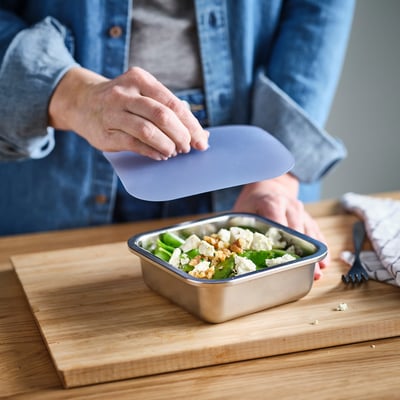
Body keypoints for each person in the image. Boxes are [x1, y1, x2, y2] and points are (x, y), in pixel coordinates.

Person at [0, 1, 355, 279]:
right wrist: (71, 95)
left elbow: (318, 8)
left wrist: (275, 179)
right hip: (55, 159)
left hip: (246, 160)